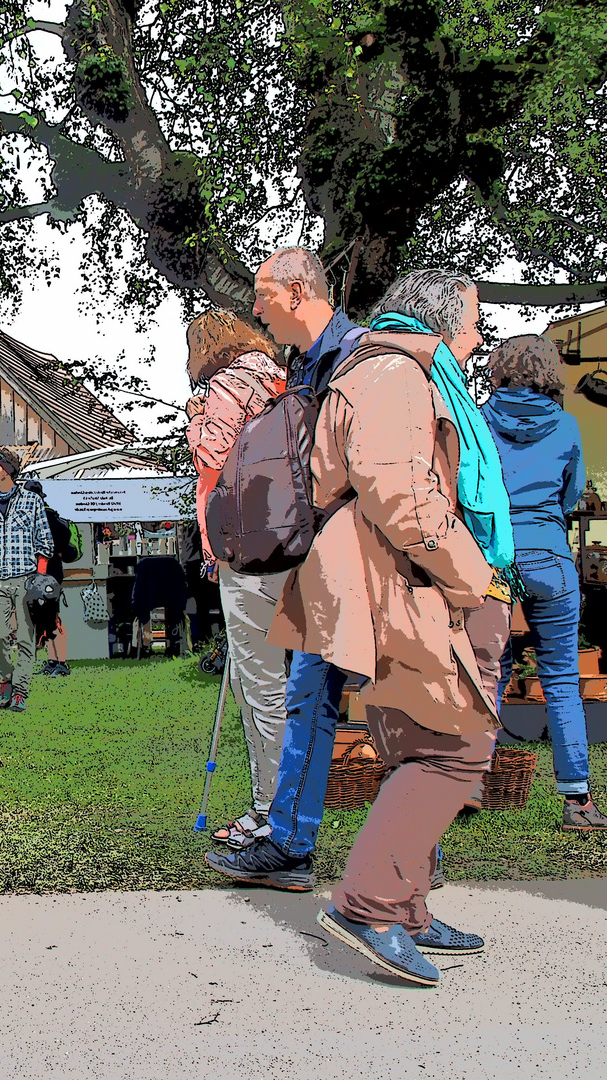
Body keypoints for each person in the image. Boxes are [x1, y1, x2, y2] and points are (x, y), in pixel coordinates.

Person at [270, 269, 512, 987]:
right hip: (417, 586)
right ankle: (371, 906)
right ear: (438, 321)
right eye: (470, 324)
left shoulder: (386, 368)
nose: (474, 340)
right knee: (455, 749)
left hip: (404, 583)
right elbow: (401, 494)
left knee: (421, 746)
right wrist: (477, 577)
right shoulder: (396, 373)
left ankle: (404, 906)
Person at [206, 247, 365, 886]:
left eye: (265, 294)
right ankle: (289, 844)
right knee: (307, 696)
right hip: (312, 551)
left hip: (322, 553)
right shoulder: (297, 368)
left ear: (298, 292)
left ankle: (401, 861)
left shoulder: (349, 359)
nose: (255, 308)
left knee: (344, 701)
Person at [483, 335, 602, 828]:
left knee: (488, 672)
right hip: (550, 558)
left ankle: (470, 781)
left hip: (494, 559)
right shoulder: (568, 425)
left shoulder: (481, 419)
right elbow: (573, 494)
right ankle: (577, 800)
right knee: (561, 679)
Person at [184, 309, 290, 848]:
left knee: (260, 683)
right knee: (296, 682)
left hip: (245, 549)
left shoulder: (226, 389)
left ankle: (269, 807)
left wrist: (196, 417)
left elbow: (211, 456)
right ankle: (286, 802)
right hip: (290, 540)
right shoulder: (281, 379)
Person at [0, 448, 53, 712]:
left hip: (25, 576)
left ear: (7, 469)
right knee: (0, 636)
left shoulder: (31, 501)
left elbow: (44, 541)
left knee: (27, 637)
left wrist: (39, 577)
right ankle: (6, 680)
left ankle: (21, 690)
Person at [20, 478, 76, 677]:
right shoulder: (47, 517)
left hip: (48, 574)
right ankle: (53, 660)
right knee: (46, 618)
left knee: (54, 617)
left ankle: (61, 662)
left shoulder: (44, 517)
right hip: (45, 572)